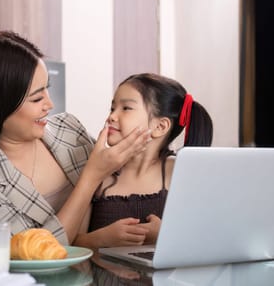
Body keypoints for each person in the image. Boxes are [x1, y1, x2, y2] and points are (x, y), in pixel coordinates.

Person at [0, 29, 151, 249]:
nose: (50, 104)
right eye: (37, 98)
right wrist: (90, 177)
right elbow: (34, 255)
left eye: (47, 89)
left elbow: (123, 191)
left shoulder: (69, 130)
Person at [73, 73, 213, 249]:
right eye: (112, 108)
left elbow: (207, 240)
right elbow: (71, 243)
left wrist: (166, 235)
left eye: (126, 108)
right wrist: (100, 240)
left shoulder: (182, 173)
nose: (112, 117)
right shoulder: (100, 173)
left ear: (160, 127)